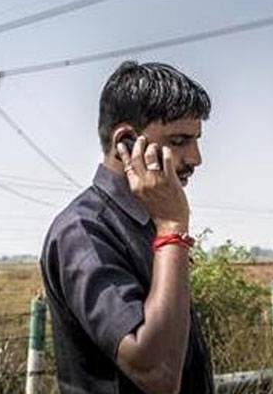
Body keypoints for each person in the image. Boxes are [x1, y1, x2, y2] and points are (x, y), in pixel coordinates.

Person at [39, 60, 214, 394]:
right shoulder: (83, 231)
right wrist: (172, 228)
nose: (195, 158)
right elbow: (158, 373)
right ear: (126, 142)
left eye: (196, 140)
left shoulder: (148, 220)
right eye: (179, 140)